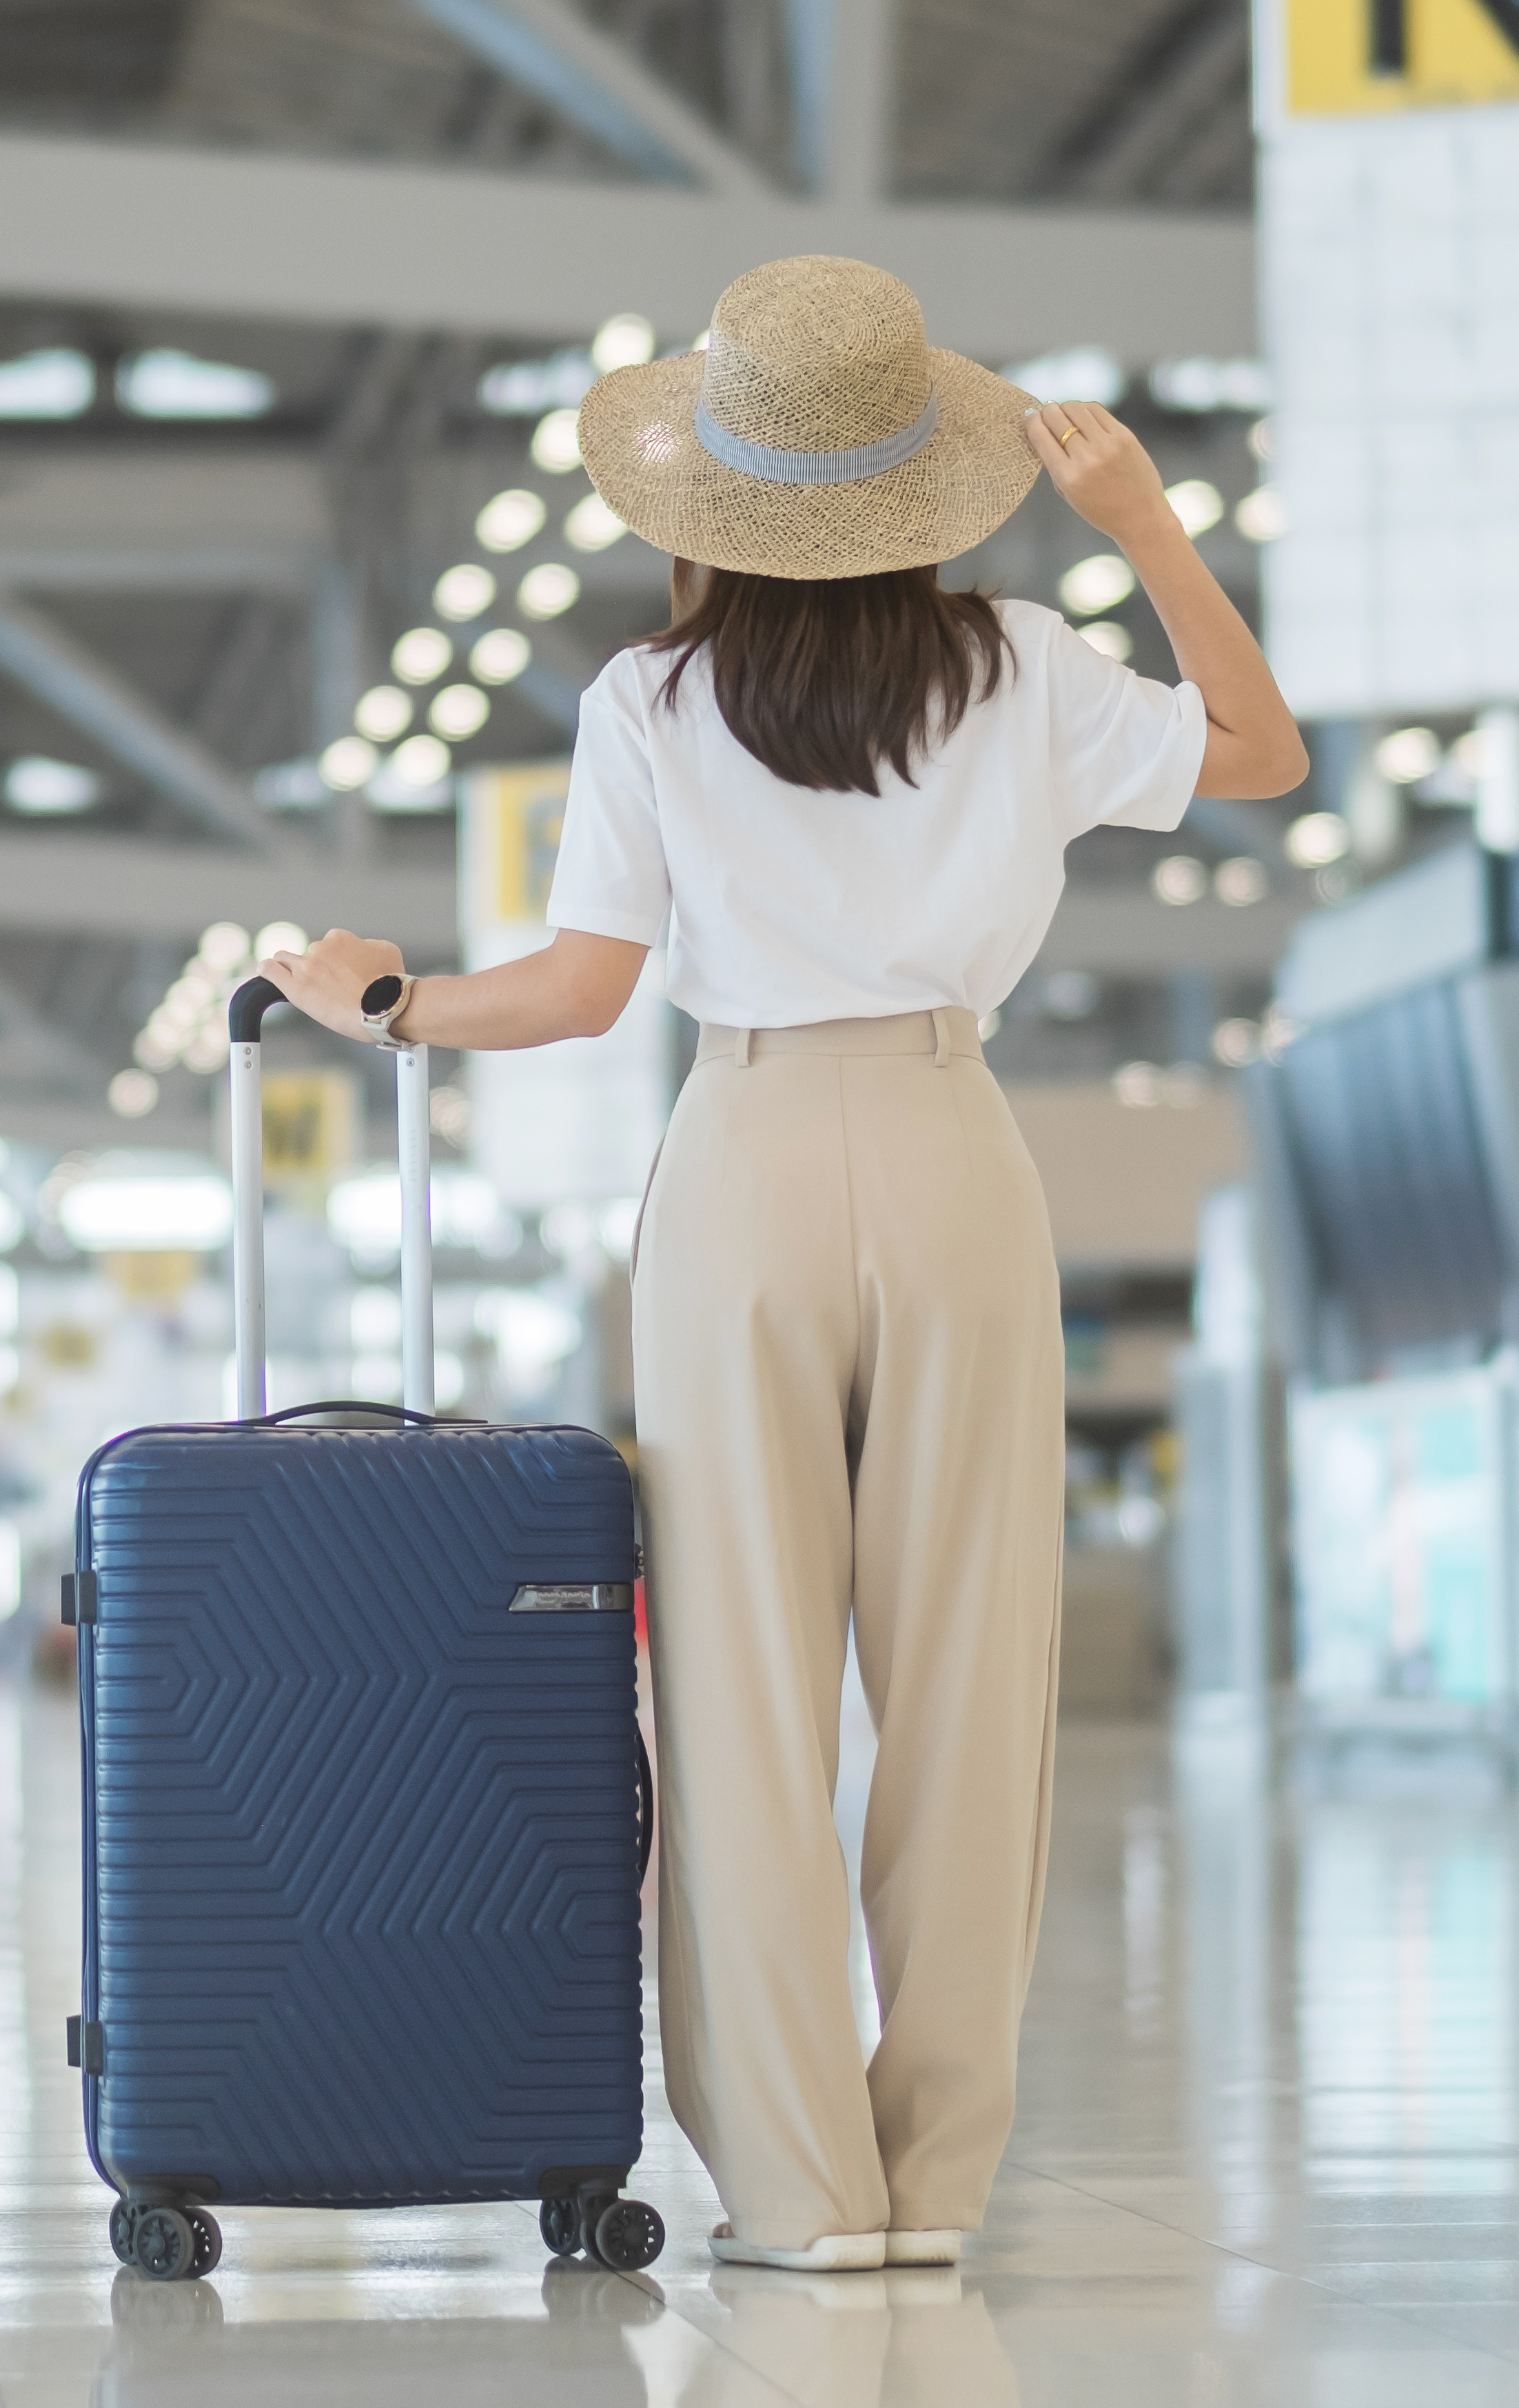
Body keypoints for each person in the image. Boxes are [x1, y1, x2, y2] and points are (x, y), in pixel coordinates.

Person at [256, 256, 1304, 2274]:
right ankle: (932, 2181)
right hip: (951, 1153)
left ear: (705, 501)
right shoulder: (1012, 663)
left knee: (733, 1692)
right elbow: (1253, 751)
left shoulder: (647, 701)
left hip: (736, 1161)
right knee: (967, 1682)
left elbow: (571, 996)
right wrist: (1145, 526)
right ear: (919, 480)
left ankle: (803, 2194)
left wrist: (372, 998)